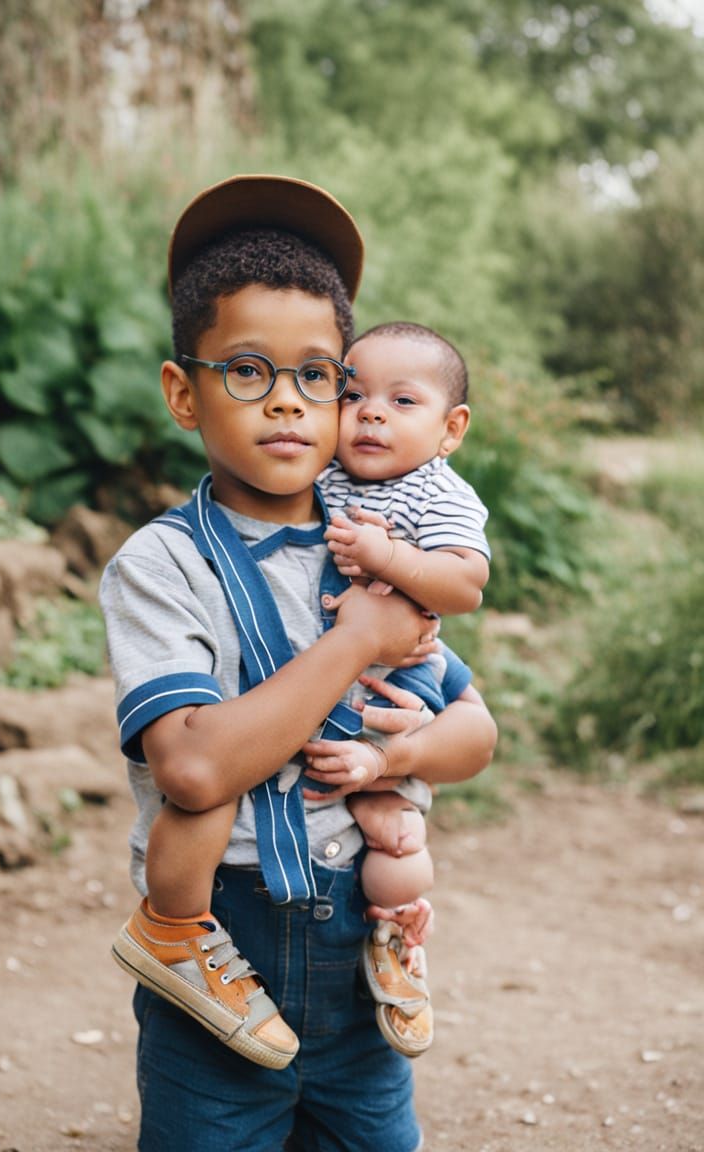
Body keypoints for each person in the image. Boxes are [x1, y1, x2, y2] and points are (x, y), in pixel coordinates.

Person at [100, 174, 496, 1152]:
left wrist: (396, 758)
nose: (285, 401)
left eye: (317, 374)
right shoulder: (164, 563)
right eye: (244, 370)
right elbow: (191, 766)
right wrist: (359, 637)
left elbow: (474, 731)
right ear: (181, 392)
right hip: (218, 951)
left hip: (358, 949)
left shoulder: (375, 540)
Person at [303, 319, 492, 1055]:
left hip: (401, 680)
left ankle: (396, 932)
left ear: (451, 430)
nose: (372, 412)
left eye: (401, 401)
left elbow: (465, 582)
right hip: (326, 673)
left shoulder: (436, 492)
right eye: (354, 395)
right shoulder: (322, 473)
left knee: (397, 835)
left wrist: (390, 557)